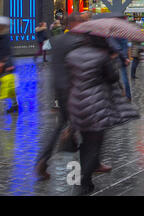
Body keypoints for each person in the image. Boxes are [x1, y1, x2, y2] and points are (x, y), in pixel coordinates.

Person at [65, 34, 139, 195]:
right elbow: (112, 77)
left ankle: (84, 178)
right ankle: (84, 181)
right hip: (96, 104)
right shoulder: (101, 56)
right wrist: (111, 60)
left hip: (76, 103)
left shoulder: (72, 55)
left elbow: (68, 78)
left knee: (85, 141)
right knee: (94, 144)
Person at [34, 12, 104, 181]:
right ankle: (91, 167)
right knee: (93, 129)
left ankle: (42, 159)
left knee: (59, 125)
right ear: (76, 24)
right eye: (83, 22)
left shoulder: (57, 41)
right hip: (77, 90)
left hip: (60, 90)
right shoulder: (80, 42)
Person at [0, 16, 19, 113]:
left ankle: (15, 104)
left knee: (8, 87)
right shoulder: (3, 36)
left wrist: (4, 64)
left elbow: (7, 52)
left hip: (6, 66)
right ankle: (15, 105)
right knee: (10, 88)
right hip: (5, 65)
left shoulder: (5, 37)